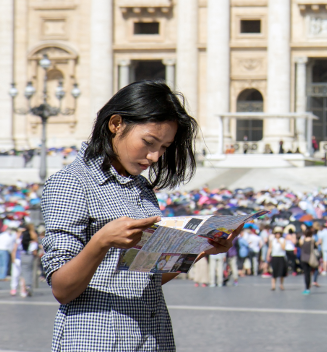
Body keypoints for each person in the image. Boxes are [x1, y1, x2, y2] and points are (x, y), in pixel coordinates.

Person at [40, 81, 212, 352]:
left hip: (152, 338)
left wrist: (198, 249)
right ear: (116, 124)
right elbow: (62, 289)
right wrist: (101, 242)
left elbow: (141, 278)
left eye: (164, 147)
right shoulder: (72, 183)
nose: (154, 156)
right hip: (97, 340)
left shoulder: (141, 187)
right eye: (148, 142)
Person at [298, 227, 319, 295]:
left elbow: (300, 245)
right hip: (310, 258)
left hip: (303, 258)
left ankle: (306, 287)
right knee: (309, 273)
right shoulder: (312, 240)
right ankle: (309, 285)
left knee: (306, 273)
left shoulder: (302, 240)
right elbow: (315, 247)